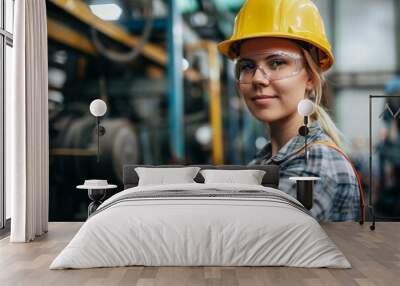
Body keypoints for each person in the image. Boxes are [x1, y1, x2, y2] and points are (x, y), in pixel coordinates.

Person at [218, 0, 361, 221]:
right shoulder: (263, 162)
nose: (257, 78)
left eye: (276, 63)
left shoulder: (315, 164)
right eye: (247, 66)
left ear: (311, 78)